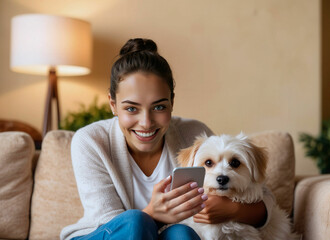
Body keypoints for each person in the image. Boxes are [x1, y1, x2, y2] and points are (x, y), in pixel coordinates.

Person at [60, 38, 273, 240]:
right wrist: (153, 213)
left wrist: (233, 210)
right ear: (113, 104)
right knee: (135, 222)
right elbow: (107, 222)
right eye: (131, 108)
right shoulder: (90, 141)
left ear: (172, 102)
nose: (146, 122)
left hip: (167, 235)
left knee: (182, 234)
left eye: (159, 107)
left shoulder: (193, 134)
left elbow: (265, 198)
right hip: (104, 234)